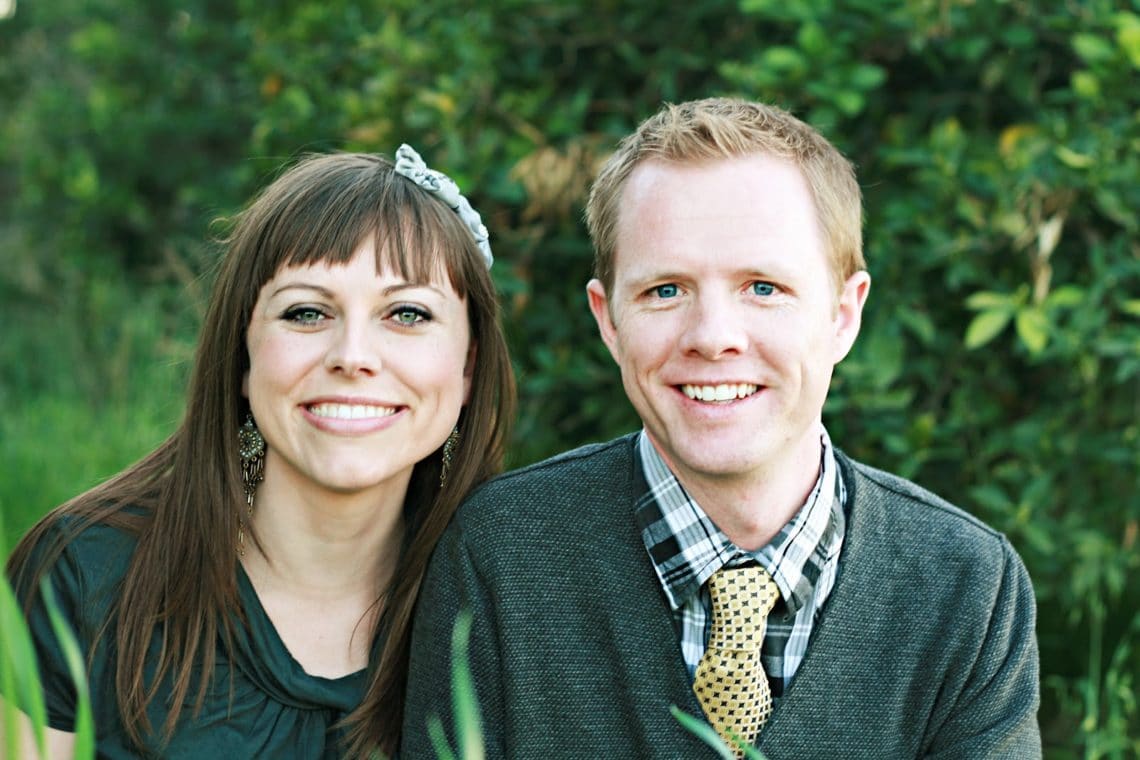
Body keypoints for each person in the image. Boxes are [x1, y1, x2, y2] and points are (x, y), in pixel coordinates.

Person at [401, 98, 1041, 759]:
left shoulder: (965, 587)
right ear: (608, 318)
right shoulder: (501, 559)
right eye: (666, 290)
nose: (713, 338)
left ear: (844, 315)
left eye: (763, 287)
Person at [4, 145, 515, 758]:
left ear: (468, 366)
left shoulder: (511, 605)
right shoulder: (82, 575)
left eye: (406, 313)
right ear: (243, 356)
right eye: (306, 312)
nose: (352, 355)